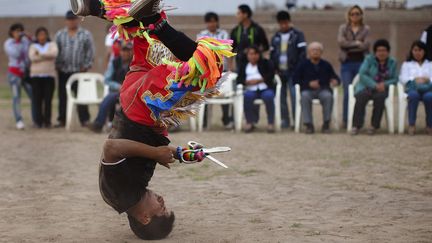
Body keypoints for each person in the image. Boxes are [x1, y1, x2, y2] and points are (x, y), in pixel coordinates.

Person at [70, 0, 234, 240]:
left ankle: (154, 22)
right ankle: (93, 6)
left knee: (209, 70)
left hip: (141, 109)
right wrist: (181, 154)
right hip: (134, 102)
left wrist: (156, 154)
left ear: (145, 218)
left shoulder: (119, 195)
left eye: (162, 209)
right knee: (148, 34)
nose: (162, 201)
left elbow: (112, 147)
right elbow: (143, 152)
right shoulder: (134, 190)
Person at [55, 10, 95, 127]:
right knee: (62, 96)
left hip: (80, 72)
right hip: (64, 71)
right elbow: (56, 51)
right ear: (66, 21)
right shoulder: (60, 35)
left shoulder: (85, 34)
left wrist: (86, 65)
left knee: (81, 96)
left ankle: (84, 120)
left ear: (77, 20)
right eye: (69, 19)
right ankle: (62, 120)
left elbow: (90, 51)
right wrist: (57, 65)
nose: (71, 21)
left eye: (73, 19)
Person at [351, 39, 397, 135]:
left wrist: (384, 84)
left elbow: (395, 78)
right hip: (367, 87)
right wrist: (374, 85)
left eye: (384, 50)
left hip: (382, 89)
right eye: (379, 50)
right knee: (360, 97)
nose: (381, 53)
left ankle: (374, 126)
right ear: (375, 52)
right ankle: (356, 125)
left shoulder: (392, 62)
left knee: (380, 98)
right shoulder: (368, 60)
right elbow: (362, 74)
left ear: (388, 52)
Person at [270, 10, 306, 129]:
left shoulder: (297, 35)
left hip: (293, 71)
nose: (283, 26)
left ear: (289, 22)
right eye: (281, 23)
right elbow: (272, 55)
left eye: (285, 23)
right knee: (281, 97)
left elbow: (302, 54)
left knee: (295, 96)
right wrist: (274, 68)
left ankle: (296, 121)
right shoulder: (275, 37)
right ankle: (285, 120)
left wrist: (299, 69)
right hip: (280, 71)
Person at [293, 42, 340, 134]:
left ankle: (326, 124)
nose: (315, 52)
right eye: (312, 50)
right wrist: (308, 84)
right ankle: (308, 124)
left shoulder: (326, 65)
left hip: (323, 89)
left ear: (321, 52)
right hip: (307, 90)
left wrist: (335, 81)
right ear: (308, 52)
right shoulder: (302, 65)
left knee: (328, 97)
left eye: (317, 50)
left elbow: (335, 77)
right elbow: (295, 79)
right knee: (304, 96)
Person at [197, 12, 233, 129]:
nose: (212, 24)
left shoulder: (224, 34)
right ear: (206, 23)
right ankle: (204, 121)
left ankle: (226, 120)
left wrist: (230, 70)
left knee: (225, 94)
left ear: (217, 22)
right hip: (207, 72)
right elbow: (198, 53)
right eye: (209, 21)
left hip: (223, 70)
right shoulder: (201, 35)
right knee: (206, 94)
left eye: (214, 21)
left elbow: (228, 53)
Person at [89, 42, 133, 133]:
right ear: (120, 51)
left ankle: (100, 123)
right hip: (117, 91)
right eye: (123, 50)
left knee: (110, 98)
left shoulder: (135, 63)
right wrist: (117, 86)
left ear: (132, 52)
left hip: (130, 92)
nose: (125, 53)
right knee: (109, 98)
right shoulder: (114, 62)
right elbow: (106, 79)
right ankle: (98, 124)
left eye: (128, 50)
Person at [338, 5, 370, 128]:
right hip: (347, 63)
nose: (355, 16)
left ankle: (358, 121)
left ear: (361, 15)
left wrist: (349, 44)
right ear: (349, 15)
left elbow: (366, 45)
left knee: (361, 92)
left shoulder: (366, 29)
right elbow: (341, 43)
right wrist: (357, 43)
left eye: (357, 13)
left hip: (362, 64)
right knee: (347, 92)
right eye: (352, 14)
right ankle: (346, 120)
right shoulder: (343, 28)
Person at [4, 23, 35, 130]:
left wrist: (29, 36)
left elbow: (36, 43)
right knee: (16, 98)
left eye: (20, 30)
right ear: (12, 32)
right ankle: (19, 120)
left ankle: (36, 119)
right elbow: (15, 54)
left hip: (26, 73)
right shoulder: (9, 43)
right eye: (16, 31)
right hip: (14, 74)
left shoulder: (25, 41)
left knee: (33, 95)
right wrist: (18, 41)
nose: (18, 33)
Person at [237, 46, 275, 133]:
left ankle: (270, 123)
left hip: (265, 88)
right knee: (247, 96)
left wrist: (259, 80)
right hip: (251, 89)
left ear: (258, 55)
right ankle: (250, 122)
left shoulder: (266, 63)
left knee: (269, 96)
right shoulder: (244, 65)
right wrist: (246, 82)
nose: (253, 56)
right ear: (247, 55)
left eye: (255, 54)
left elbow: (271, 75)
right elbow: (239, 79)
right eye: (251, 54)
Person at [399, 40, 432, 135]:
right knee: (413, 96)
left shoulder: (430, 64)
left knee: (429, 97)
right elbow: (402, 78)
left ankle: (430, 125)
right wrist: (414, 79)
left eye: (420, 50)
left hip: (428, 89)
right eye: (415, 50)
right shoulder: (407, 64)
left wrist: (427, 79)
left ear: (424, 51)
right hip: (413, 88)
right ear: (411, 51)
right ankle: (411, 124)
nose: (417, 52)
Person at [28, 27, 59, 128]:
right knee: (37, 100)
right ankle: (38, 122)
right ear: (36, 36)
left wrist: (40, 54)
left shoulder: (52, 45)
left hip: (49, 76)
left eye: (43, 34)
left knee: (48, 100)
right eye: (40, 34)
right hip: (36, 77)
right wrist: (46, 56)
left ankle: (47, 121)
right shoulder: (33, 46)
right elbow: (32, 57)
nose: (42, 37)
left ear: (46, 35)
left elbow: (54, 53)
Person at [230, 4, 269, 73]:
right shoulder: (235, 31)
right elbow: (231, 50)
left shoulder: (257, 29)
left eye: (239, 13)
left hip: (256, 67)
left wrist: (253, 52)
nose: (237, 16)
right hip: (240, 65)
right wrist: (231, 67)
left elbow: (265, 46)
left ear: (245, 14)